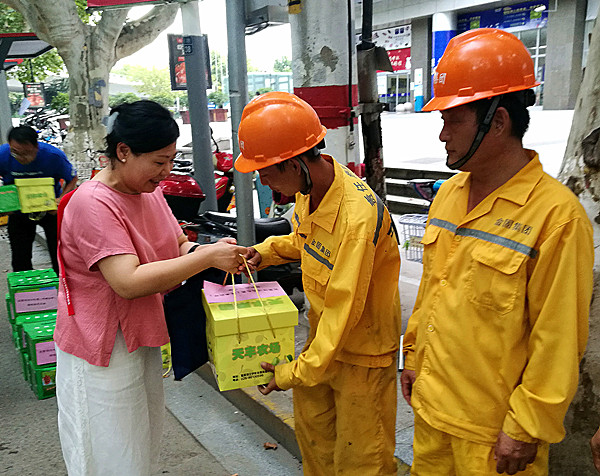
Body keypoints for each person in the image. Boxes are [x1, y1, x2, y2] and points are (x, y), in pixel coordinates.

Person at [401, 28, 593, 475]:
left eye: (453, 120)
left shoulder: (557, 218)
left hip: (493, 439)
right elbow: (434, 287)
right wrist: (413, 359)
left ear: (499, 121)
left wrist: (526, 427)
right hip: (432, 415)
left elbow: (559, 338)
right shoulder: (449, 195)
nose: (443, 135)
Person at [54, 100, 246, 475]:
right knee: (107, 447)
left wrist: (212, 251)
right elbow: (126, 281)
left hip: (140, 332)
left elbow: (176, 245)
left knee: (139, 440)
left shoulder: (148, 191)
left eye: (172, 160)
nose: (166, 172)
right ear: (123, 152)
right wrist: (205, 259)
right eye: (159, 162)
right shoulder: (93, 203)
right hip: (103, 344)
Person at [236, 91, 402, 475]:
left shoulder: (357, 220)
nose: (264, 180)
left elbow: (344, 313)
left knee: (363, 461)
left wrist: (290, 374)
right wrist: (267, 251)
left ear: (294, 164)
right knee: (317, 446)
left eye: (267, 171)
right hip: (322, 346)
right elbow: (307, 240)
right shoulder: (314, 190)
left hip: (362, 355)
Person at [0, 125, 77, 274]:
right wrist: (4, 203)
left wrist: (61, 199)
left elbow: (72, 178)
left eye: (26, 153)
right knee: (20, 257)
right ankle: (26, 291)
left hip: (49, 209)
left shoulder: (53, 156)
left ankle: (61, 287)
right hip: (18, 210)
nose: (22, 158)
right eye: (16, 153)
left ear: (36, 146)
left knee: (60, 253)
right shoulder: (3, 155)